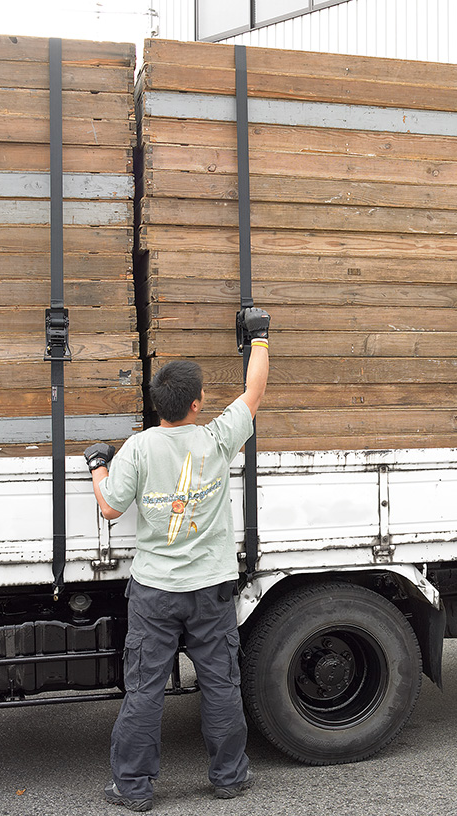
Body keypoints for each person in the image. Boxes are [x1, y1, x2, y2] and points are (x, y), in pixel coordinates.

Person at [85, 308, 271, 812]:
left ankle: (134, 788)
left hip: (155, 592)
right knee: (220, 683)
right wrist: (260, 338)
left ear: (157, 405)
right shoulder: (216, 438)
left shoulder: (140, 449)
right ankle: (230, 778)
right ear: (197, 403)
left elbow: (109, 507)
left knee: (144, 690)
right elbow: (253, 393)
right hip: (211, 589)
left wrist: (99, 466)